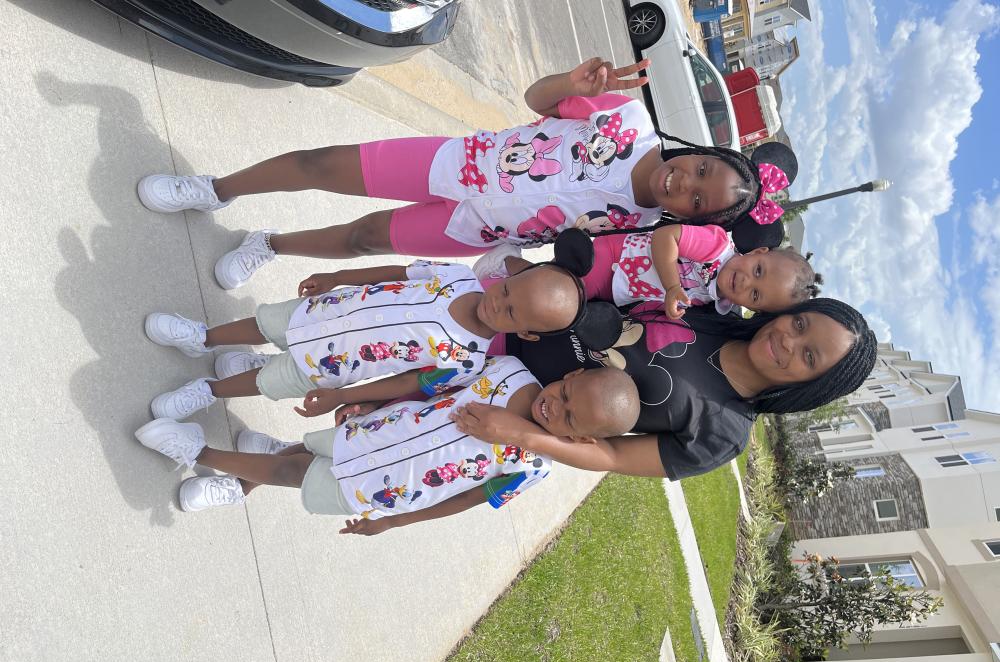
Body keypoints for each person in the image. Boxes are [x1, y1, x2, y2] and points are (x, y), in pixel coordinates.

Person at [136, 57, 779, 289]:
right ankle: (214, 190)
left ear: (691, 216)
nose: (685, 184)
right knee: (322, 165)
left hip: (473, 228)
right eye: (700, 169)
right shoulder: (629, 120)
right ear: (699, 152)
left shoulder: (636, 224)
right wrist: (571, 83)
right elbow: (536, 100)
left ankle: (268, 245)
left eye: (699, 200)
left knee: (364, 238)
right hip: (455, 162)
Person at [133, 357, 641, 536]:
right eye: (566, 392)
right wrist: (367, 403)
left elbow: (467, 498)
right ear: (572, 374)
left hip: (384, 488)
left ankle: (199, 453)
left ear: (582, 440)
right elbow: (428, 385)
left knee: (296, 475)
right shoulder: (508, 371)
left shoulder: (534, 469)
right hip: (374, 432)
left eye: (570, 417)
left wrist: (395, 521)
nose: (556, 407)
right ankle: (239, 471)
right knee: (304, 457)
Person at [450, 298, 878, 480]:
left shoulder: (723, 434)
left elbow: (613, 456)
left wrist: (519, 434)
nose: (788, 341)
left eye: (809, 356)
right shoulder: (709, 308)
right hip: (492, 326)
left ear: (811, 386)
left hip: (498, 405)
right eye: (800, 323)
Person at [143, 257, 592, 421]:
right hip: (322, 313)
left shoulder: (468, 362)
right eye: (507, 290)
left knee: (267, 381)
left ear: (525, 333)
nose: (498, 303)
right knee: (262, 323)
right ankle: (202, 337)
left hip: (330, 369)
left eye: (511, 312)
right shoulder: (456, 276)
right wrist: (339, 276)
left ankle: (209, 391)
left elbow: (406, 383)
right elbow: (396, 272)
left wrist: (342, 399)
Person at [475, 222, 822, 318]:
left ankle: (507, 282)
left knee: (561, 296)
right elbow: (665, 238)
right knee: (558, 286)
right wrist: (672, 287)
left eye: (756, 294)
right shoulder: (717, 248)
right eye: (758, 270)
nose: (746, 282)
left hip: (617, 291)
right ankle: (507, 262)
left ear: (753, 308)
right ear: (758, 252)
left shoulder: (718, 303)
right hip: (616, 258)